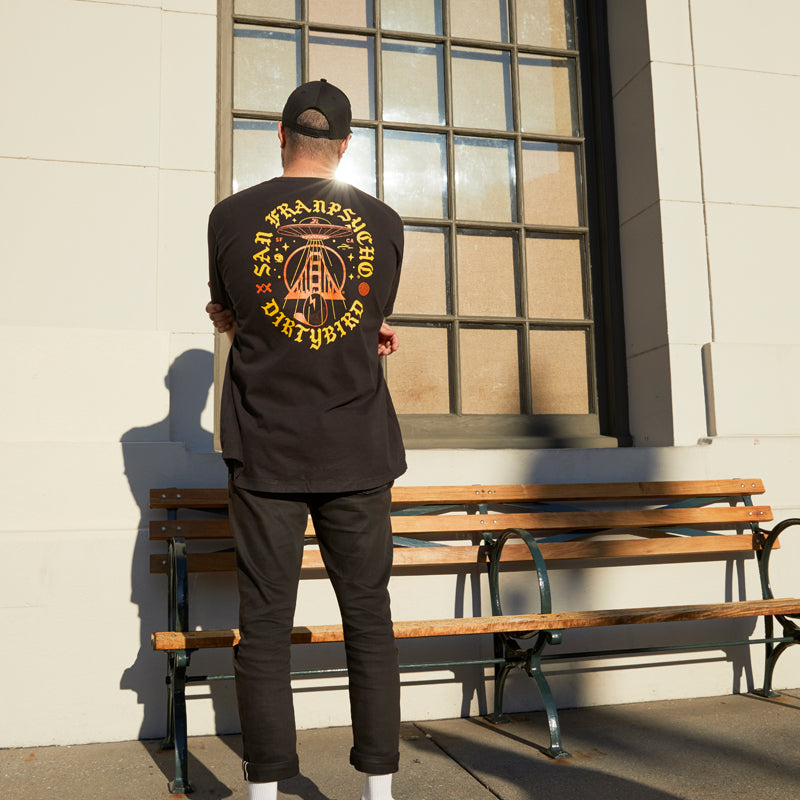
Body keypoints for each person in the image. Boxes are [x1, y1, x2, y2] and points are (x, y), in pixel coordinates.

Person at [206, 79, 405, 800]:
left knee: (263, 622)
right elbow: (368, 315)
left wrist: (232, 320)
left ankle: (264, 792)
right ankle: (379, 791)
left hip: (265, 448)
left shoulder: (229, 217)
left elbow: (229, 313)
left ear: (281, 135)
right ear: (345, 146)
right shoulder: (382, 221)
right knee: (369, 620)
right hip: (358, 444)